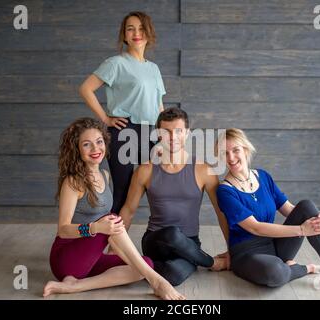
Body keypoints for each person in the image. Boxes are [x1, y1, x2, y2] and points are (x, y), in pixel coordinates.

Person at [43, 118, 185, 300]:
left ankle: (74, 286)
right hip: (66, 259)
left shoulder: (105, 175)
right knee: (111, 220)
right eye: (87, 144)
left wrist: (112, 242)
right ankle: (158, 282)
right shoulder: (73, 182)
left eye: (99, 142)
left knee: (144, 264)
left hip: (89, 257)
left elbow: (108, 230)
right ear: (76, 149)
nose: (95, 149)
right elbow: (63, 230)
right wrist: (95, 229)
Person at [215, 128, 320, 294]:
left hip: (275, 246)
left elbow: (289, 209)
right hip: (247, 255)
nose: (231, 157)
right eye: (225, 153)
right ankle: (302, 269)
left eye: (235, 150)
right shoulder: (225, 191)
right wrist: (302, 230)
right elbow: (255, 227)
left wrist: (316, 216)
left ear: (245, 150)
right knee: (275, 272)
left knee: (307, 206)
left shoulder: (263, 177)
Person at [118, 107, 229, 286]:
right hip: (156, 240)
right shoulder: (145, 171)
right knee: (172, 233)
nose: (173, 137)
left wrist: (232, 249)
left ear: (187, 133)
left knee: (173, 275)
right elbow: (128, 211)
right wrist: (111, 249)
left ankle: (145, 266)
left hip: (189, 243)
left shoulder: (204, 170)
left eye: (178, 131)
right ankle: (210, 262)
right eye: (166, 132)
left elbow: (221, 212)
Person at [79, 11, 165, 215]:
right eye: (130, 28)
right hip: (124, 130)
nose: (136, 33)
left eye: (141, 28)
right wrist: (106, 119)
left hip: (150, 132)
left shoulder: (153, 68)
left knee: (157, 183)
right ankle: (108, 240)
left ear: (149, 33)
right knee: (123, 191)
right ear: (124, 35)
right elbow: (86, 89)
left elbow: (159, 104)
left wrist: (165, 133)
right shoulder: (116, 63)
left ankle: (127, 235)